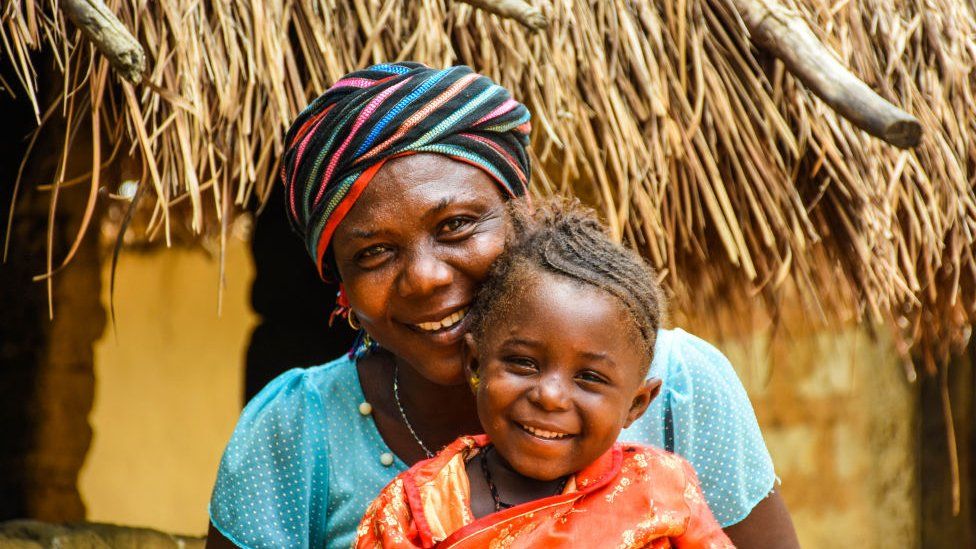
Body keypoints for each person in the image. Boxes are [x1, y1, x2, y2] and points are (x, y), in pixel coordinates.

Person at [206, 62, 798, 548]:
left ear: (522, 216)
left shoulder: (681, 387)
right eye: (374, 253)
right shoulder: (294, 431)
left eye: (457, 224)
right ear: (342, 288)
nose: (425, 278)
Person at [354, 199, 733, 548]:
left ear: (636, 405)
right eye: (523, 363)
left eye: (589, 377)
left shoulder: (660, 487)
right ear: (475, 364)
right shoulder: (412, 509)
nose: (550, 395)